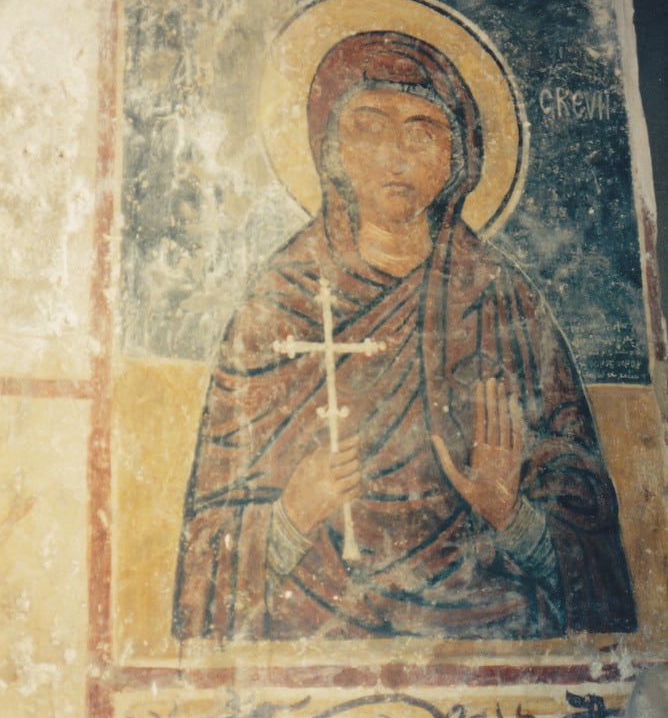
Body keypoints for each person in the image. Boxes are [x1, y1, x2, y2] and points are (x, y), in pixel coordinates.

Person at [173, 31, 637, 642]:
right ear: (331, 148)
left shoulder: (499, 298)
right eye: (369, 128)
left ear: (458, 156)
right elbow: (206, 557)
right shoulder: (280, 302)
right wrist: (290, 516)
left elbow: (594, 550)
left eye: (423, 133)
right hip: (316, 619)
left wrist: (510, 513)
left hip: (490, 613)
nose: (395, 157)